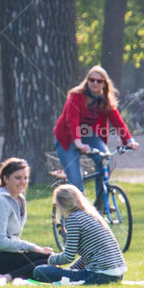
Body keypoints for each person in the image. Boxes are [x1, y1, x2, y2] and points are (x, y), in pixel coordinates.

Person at [53, 66, 138, 205]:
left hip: (89, 137)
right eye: (92, 80)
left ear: (104, 83)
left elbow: (117, 121)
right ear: (87, 81)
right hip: (67, 138)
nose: (95, 83)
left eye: (99, 81)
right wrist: (78, 143)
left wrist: (128, 140)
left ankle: (101, 204)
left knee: (106, 160)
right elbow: (72, 121)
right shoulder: (76, 96)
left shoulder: (105, 100)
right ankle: (77, 215)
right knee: (76, 181)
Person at [0, 158, 50, 281]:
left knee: (49, 259)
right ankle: (7, 277)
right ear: (5, 179)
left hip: (7, 254)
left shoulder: (19, 199)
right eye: (18, 178)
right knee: (47, 260)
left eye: (25, 178)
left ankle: (9, 276)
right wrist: (33, 248)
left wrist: (37, 250)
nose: (23, 182)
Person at [33, 184, 126, 285]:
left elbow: (68, 256)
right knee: (54, 272)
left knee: (39, 271)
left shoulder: (73, 219)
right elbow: (88, 254)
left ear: (60, 204)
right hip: (117, 275)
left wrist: (51, 260)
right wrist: (70, 270)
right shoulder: (91, 216)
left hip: (100, 276)